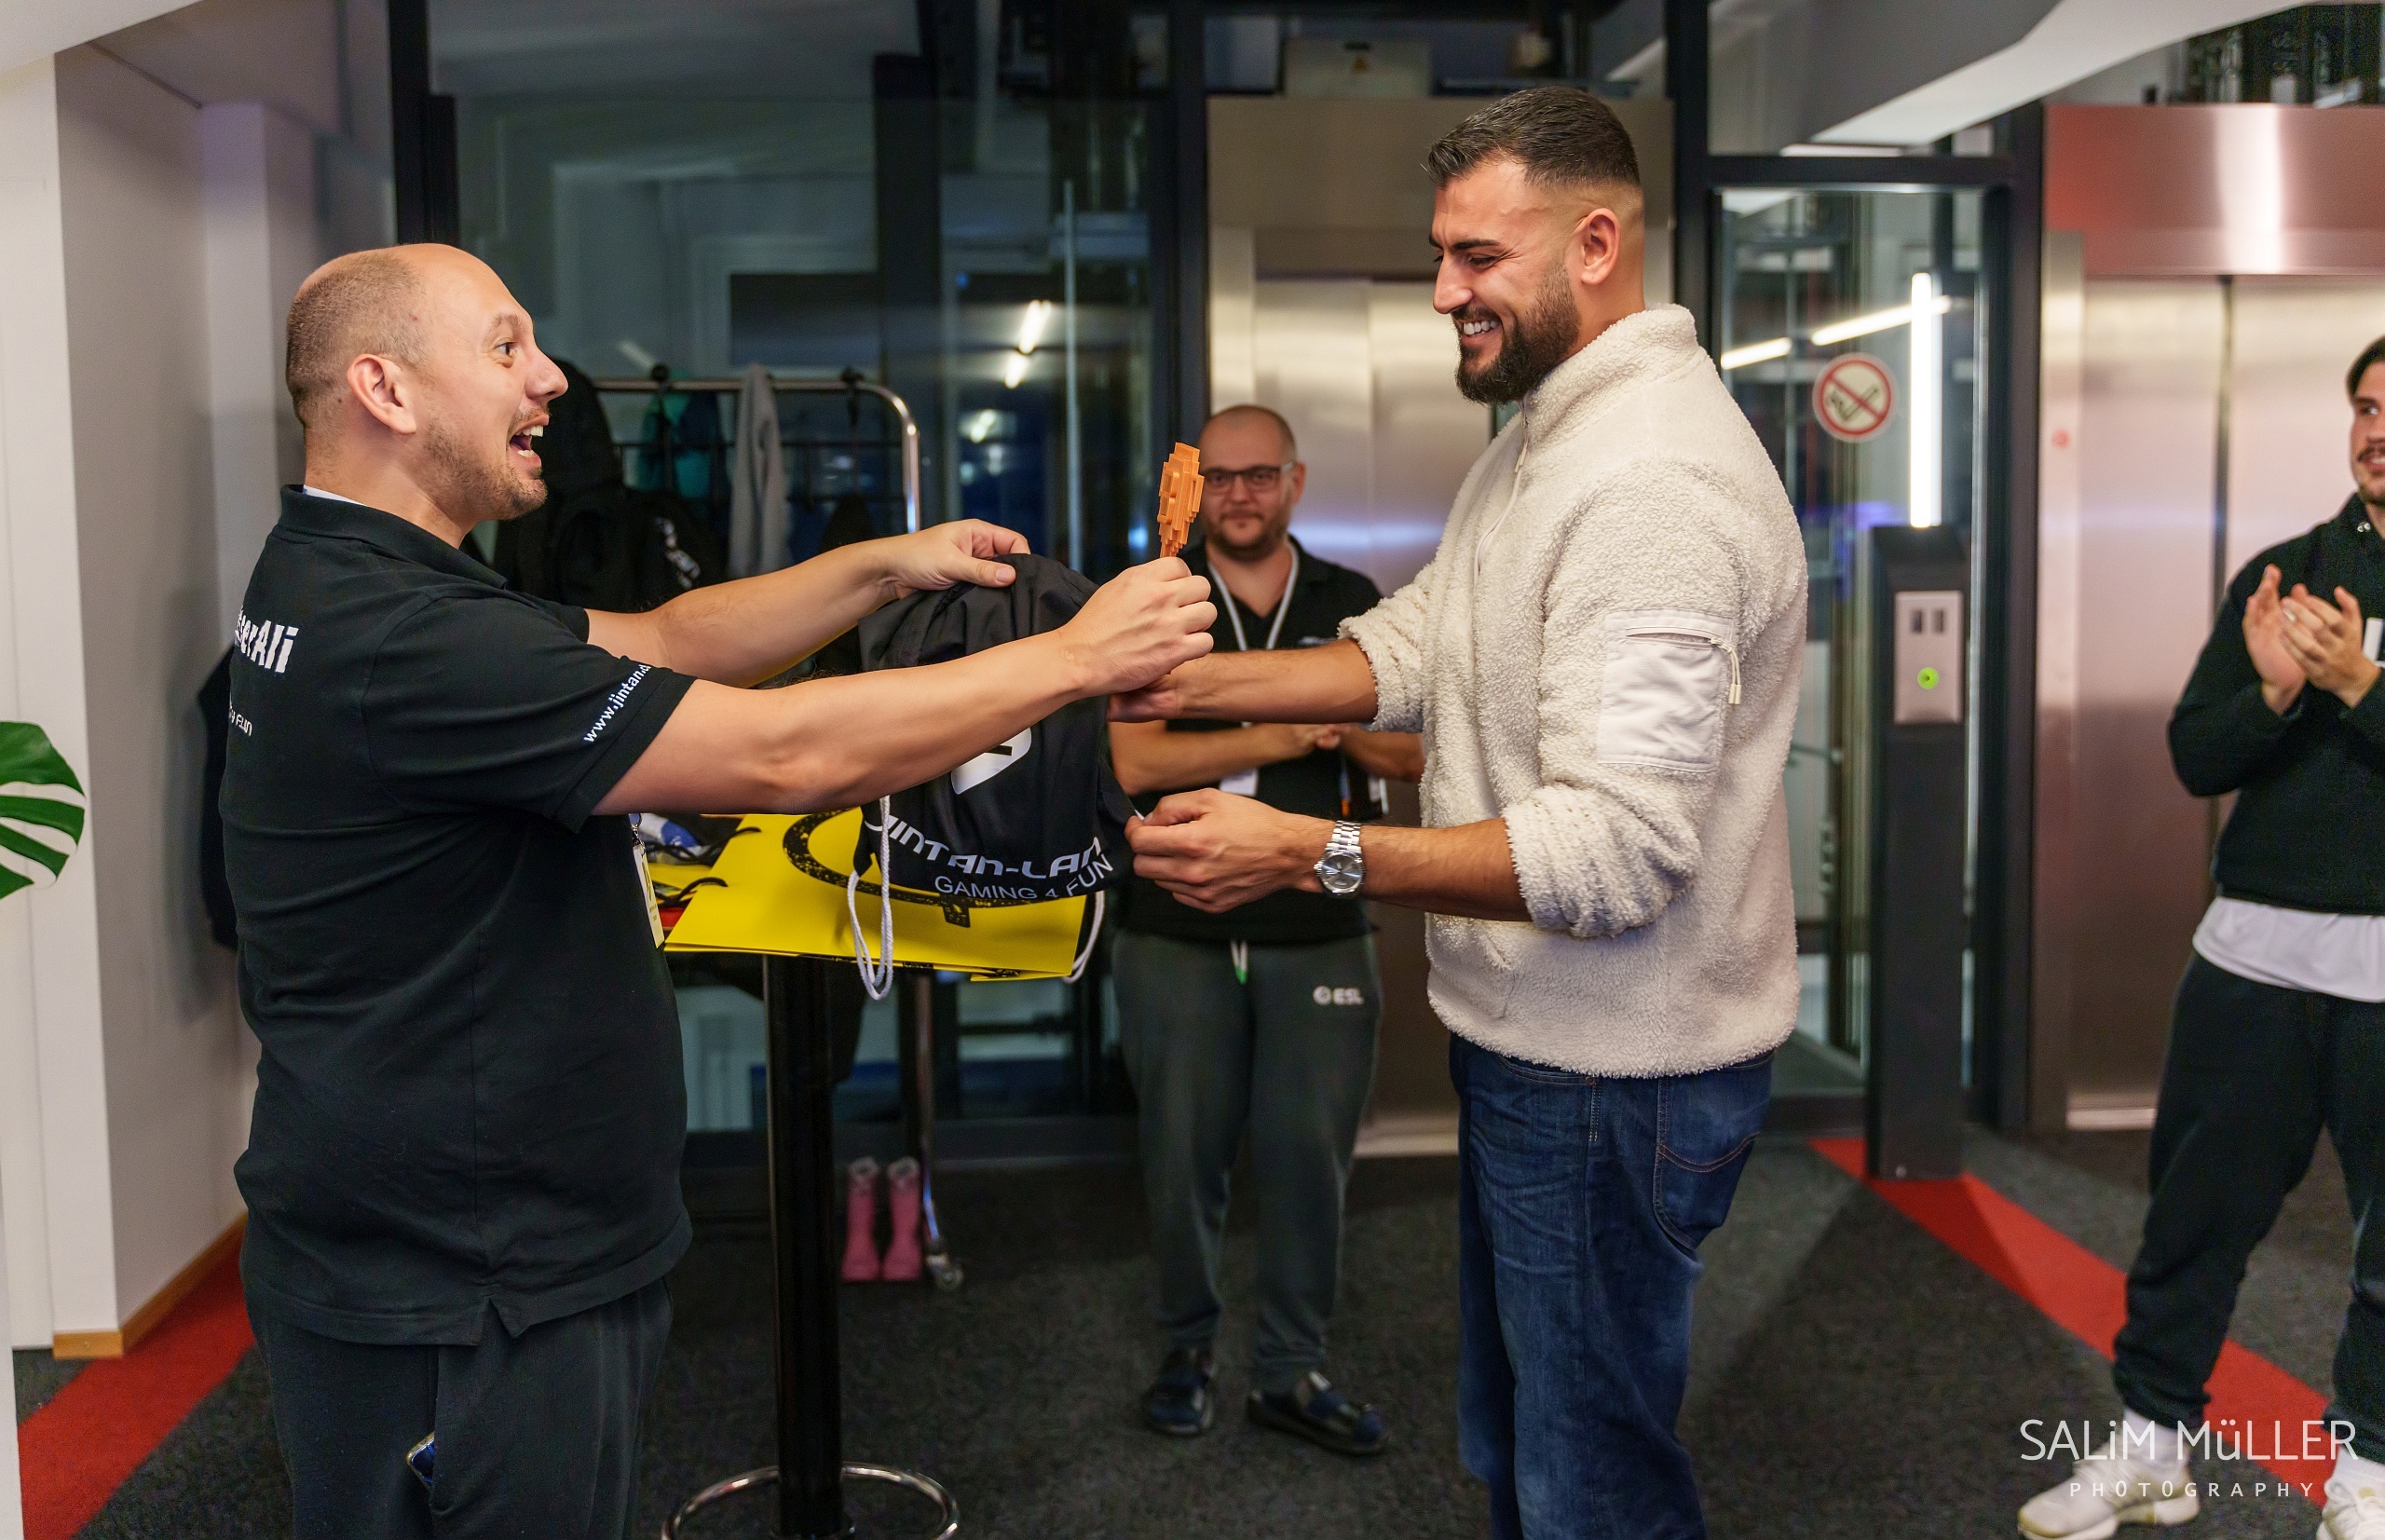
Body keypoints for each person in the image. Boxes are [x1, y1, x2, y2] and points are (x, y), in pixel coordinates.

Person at [223, 243, 1215, 1540]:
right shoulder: (406, 639)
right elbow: (785, 756)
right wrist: (1076, 658)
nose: (552, 378)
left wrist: (879, 566)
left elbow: (668, 638)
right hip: (473, 1278)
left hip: (439, 1238)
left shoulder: (345, 576)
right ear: (385, 389)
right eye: (506, 346)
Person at [1119, 87, 1806, 1538]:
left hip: (1617, 1074)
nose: (1445, 290)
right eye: (1443, 254)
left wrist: (1306, 851)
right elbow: (1418, 641)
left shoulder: (1654, 482)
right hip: (1533, 1045)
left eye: (1479, 256)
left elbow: (1616, 851)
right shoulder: (1541, 438)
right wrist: (1170, 674)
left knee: (1589, 1481)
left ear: (1597, 244)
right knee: (1518, 1446)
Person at [2017, 339, 2385, 1540]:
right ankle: (2148, 1446)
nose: (2377, 430)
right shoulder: (2284, 576)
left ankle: (2369, 1475)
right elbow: (2192, 754)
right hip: (2249, 961)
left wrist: (2361, 687)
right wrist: (2272, 692)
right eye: (2365, 408)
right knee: (2192, 1221)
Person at [1109, 402, 1424, 1454]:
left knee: (1308, 1159)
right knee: (1179, 1153)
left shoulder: (1353, 602)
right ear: (1194, 488)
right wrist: (1293, 726)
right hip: (1174, 919)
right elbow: (1135, 761)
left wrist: (1341, 722)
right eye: (1220, 477)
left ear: (1294, 482)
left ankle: (1290, 1369)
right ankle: (1186, 1351)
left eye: (1258, 475)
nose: (1238, 495)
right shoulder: (1159, 599)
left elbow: (1411, 753)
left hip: (1319, 916)